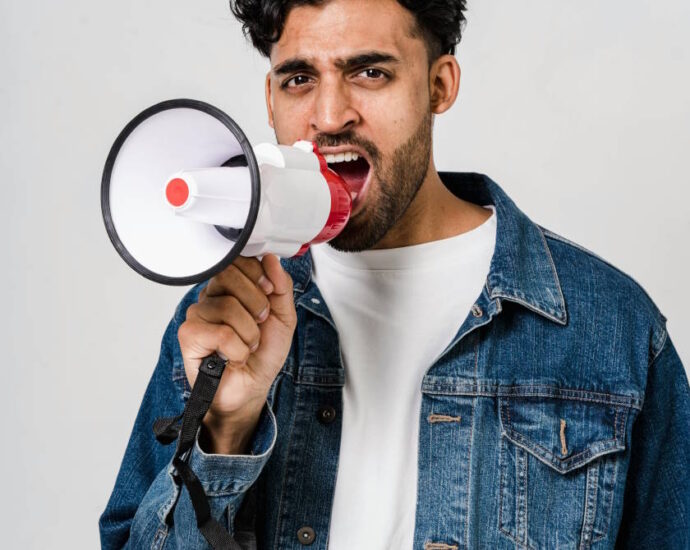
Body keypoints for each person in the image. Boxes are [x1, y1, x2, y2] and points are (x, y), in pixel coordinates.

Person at [99, 1, 690, 548]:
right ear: (270, 95)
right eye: (299, 78)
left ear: (439, 85)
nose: (328, 116)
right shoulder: (224, 318)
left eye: (369, 73)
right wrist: (226, 429)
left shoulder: (609, 328)